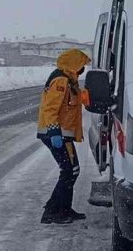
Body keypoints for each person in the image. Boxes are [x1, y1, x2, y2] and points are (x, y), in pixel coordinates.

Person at [37, 49, 92, 223]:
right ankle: (55, 212)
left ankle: (61, 208)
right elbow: (50, 108)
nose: (83, 68)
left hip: (62, 135)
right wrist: (54, 132)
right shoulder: (61, 80)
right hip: (56, 134)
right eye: (81, 65)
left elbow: (73, 103)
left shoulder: (70, 81)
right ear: (73, 65)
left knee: (70, 171)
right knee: (69, 171)